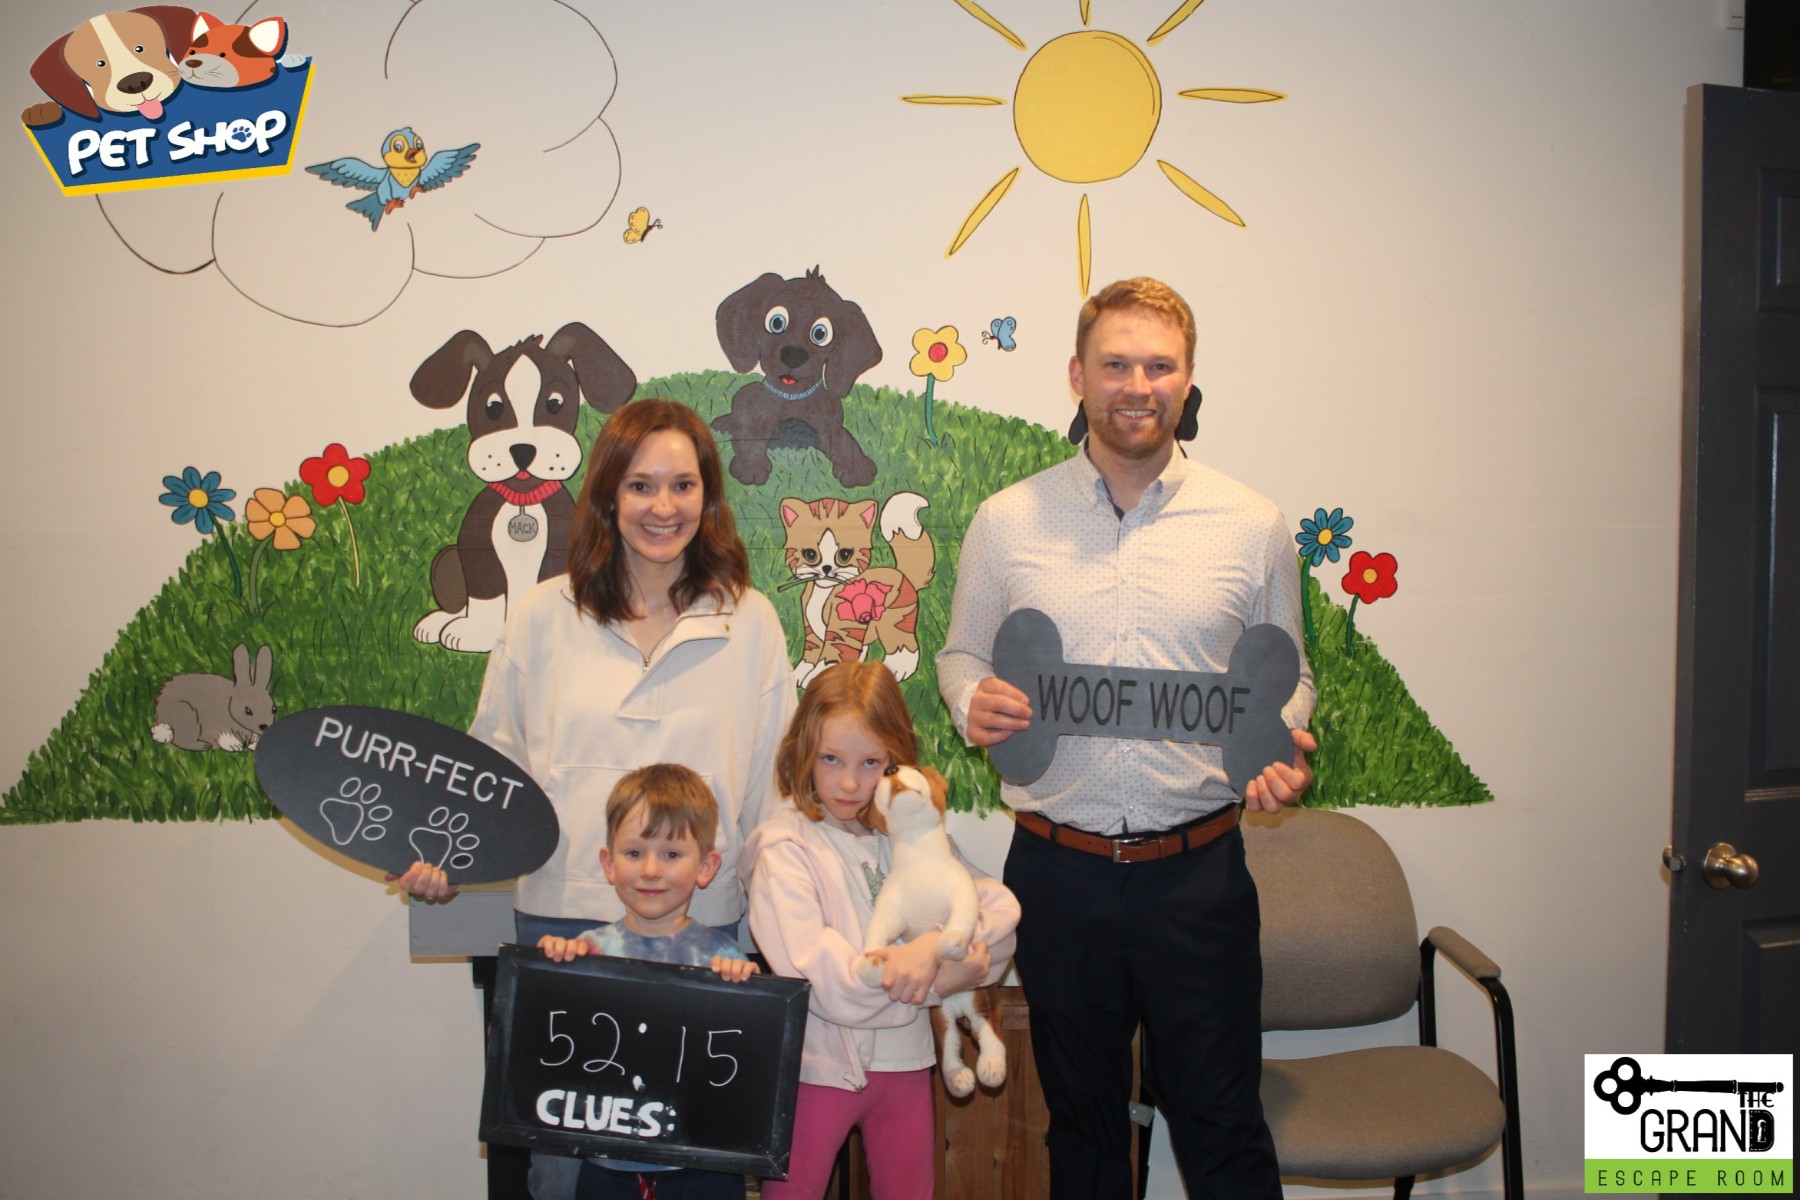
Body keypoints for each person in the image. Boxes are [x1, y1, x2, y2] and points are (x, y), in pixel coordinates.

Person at [935, 277, 1319, 1200]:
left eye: (1159, 366)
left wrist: (1281, 740)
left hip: (1199, 877)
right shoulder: (1007, 520)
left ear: (1187, 379)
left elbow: (1290, 674)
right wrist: (970, 701)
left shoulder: (1253, 525)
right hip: (1057, 875)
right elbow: (961, 654)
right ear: (1078, 375)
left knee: (1221, 1126)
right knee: (1084, 1131)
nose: (1137, 386)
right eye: (1115, 365)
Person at [392, 398, 798, 1200]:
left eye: (683, 485)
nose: (663, 506)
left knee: (698, 1158)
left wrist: (782, 921)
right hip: (563, 931)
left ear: (708, 496)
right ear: (608, 495)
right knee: (563, 1172)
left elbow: (774, 789)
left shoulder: (748, 620)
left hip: (705, 934)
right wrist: (443, 856)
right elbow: (495, 763)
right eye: (641, 485)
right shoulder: (544, 614)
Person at [740, 661, 1020, 1200]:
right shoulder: (784, 849)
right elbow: (827, 986)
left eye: (870, 762)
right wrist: (938, 981)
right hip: (814, 1071)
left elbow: (1000, 916)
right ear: (802, 753)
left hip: (906, 1063)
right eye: (830, 759)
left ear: (896, 762)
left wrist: (932, 950)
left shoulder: (911, 840)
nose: (849, 783)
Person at [536, 763, 760, 1200]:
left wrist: (745, 993)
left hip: (699, 1171)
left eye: (672, 854)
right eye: (634, 853)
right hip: (606, 1170)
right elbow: (547, 1045)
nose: (651, 870)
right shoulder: (587, 953)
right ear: (608, 864)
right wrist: (550, 971)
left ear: (706, 866)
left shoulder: (722, 961)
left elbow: (748, 1066)